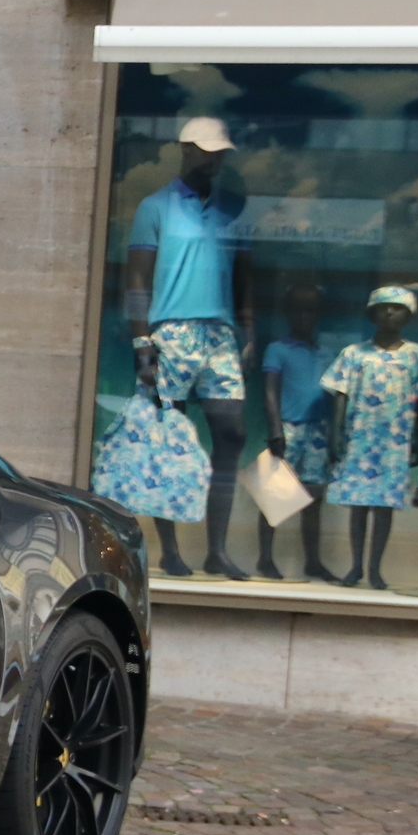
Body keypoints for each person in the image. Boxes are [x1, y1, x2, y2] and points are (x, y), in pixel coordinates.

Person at [126, 116, 256, 579]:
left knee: (232, 432)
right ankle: (171, 549)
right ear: (186, 150)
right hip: (171, 331)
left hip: (219, 332)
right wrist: (142, 340)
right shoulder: (155, 207)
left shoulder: (232, 209)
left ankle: (216, 549)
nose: (215, 158)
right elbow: (137, 277)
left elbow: (243, 272)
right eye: (207, 150)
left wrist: (249, 325)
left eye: (220, 151)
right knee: (170, 439)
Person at [322, 286, 418, 591]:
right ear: (372, 312)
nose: (390, 312)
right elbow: (339, 395)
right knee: (359, 505)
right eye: (383, 307)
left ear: (409, 315)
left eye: (397, 307)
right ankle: (356, 566)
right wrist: (335, 435)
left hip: (394, 443)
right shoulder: (354, 354)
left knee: (385, 506)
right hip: (359, 438)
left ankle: (375, 568)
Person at [258, 280, 334, 581]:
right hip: (288, 428)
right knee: (275, 498)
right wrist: (275, 429)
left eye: (311, 311)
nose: (305, 316)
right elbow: (269, 392)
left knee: (314, 500)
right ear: (288, 313)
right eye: (298, 310)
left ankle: (312, 561)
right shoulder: (277, 349)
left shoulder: (325, 352)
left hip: (318, 430)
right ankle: (265, 558)